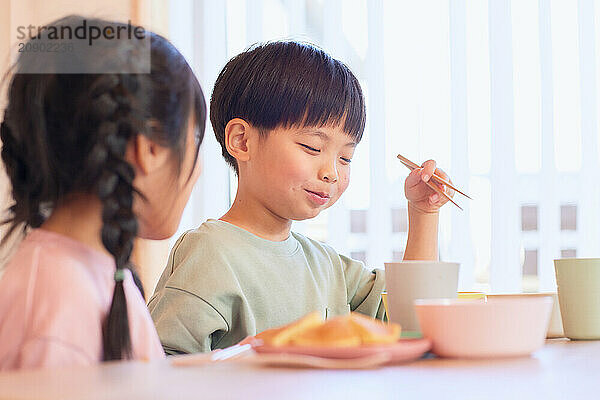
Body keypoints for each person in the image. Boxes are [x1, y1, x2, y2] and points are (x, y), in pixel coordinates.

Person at [149, 41, 453, 354]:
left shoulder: (327, 265)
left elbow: (412, 321)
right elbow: (163, 367)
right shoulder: (210, 252)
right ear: (241, 141)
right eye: (312, 147)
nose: (332, 172)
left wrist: (423, 213)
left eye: (345, 158)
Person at [0, 15, 206, 369]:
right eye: (196, 140)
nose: (199, 168)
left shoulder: (97, 271)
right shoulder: (59, 306)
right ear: (149, 150)